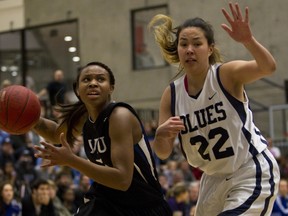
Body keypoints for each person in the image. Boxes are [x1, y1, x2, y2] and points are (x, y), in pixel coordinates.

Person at [149, 2, 280, 215]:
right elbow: (162, 153)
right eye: (183, 44)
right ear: (178, 50)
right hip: (212, 178)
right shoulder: (171, 94)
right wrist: (161, 135)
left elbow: (268, 67)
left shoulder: (225, 75)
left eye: (197, 44)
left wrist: (248, 40)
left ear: (210, 49)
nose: (189, 49)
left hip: (249, 168)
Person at [32, 61, 172, 215]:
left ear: (111, 88)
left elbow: (122, 180)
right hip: (108, 200)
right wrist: (29, 120)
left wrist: (71, 160)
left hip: (143, 206)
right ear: (78, 90)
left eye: (100, 79)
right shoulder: (83, 115)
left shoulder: (119, 117)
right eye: (86, 79)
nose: (93, 83)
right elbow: (55, 134)